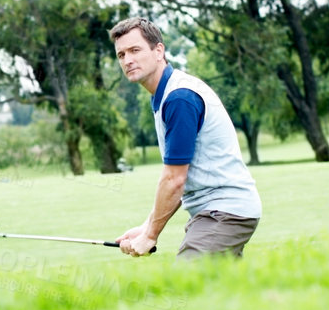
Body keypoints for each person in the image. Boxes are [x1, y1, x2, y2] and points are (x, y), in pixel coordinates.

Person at [110, 16, 262, 259]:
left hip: (224, 212)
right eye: (121, 55)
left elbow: (174, 180)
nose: (128, 60)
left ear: (158, 51)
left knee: (186, 289)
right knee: (225, 294)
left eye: (135, 50)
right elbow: (177, 181)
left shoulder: (179, 97)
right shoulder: (165, 95)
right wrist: (146, 227)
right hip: (215, 212)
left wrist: (150, 235)